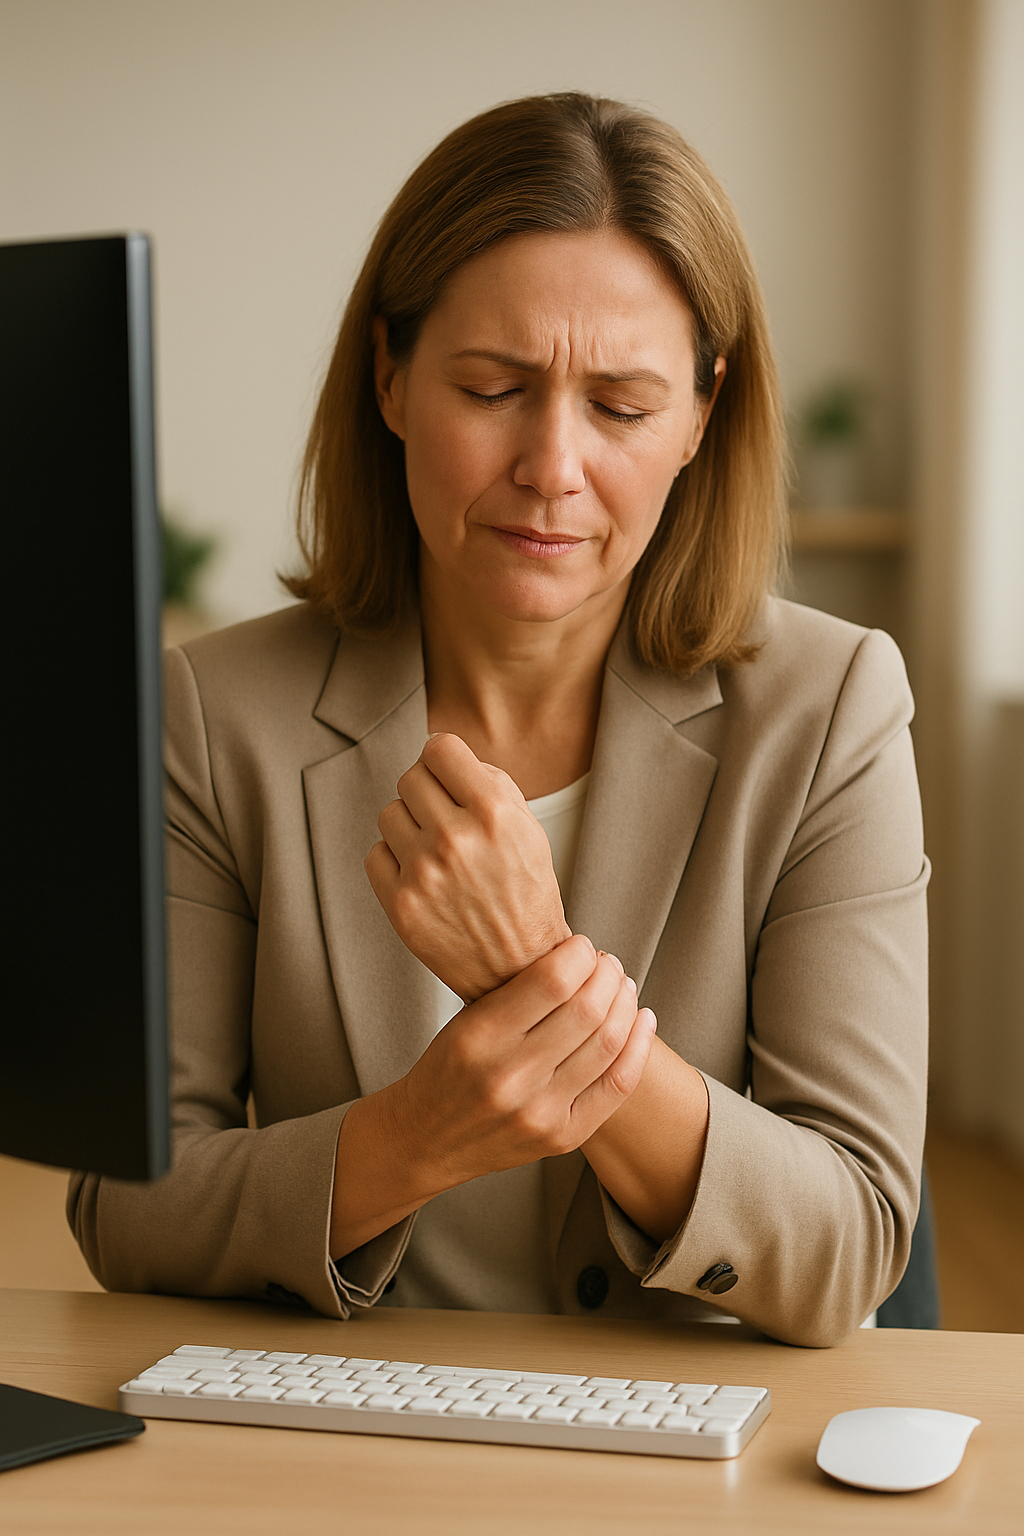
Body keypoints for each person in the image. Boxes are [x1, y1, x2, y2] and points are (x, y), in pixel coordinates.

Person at [69, 92, 928, 1347]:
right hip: (339, 1441)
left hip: (691, 1446)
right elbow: (128, 1210)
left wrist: (533, 976)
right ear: (391, 376)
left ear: (700, 416)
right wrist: (414, 1137)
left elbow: (848, 1245)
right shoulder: (212, 714)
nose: (552, 465)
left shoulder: (831, 706)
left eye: (622, 408)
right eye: (492, 387)